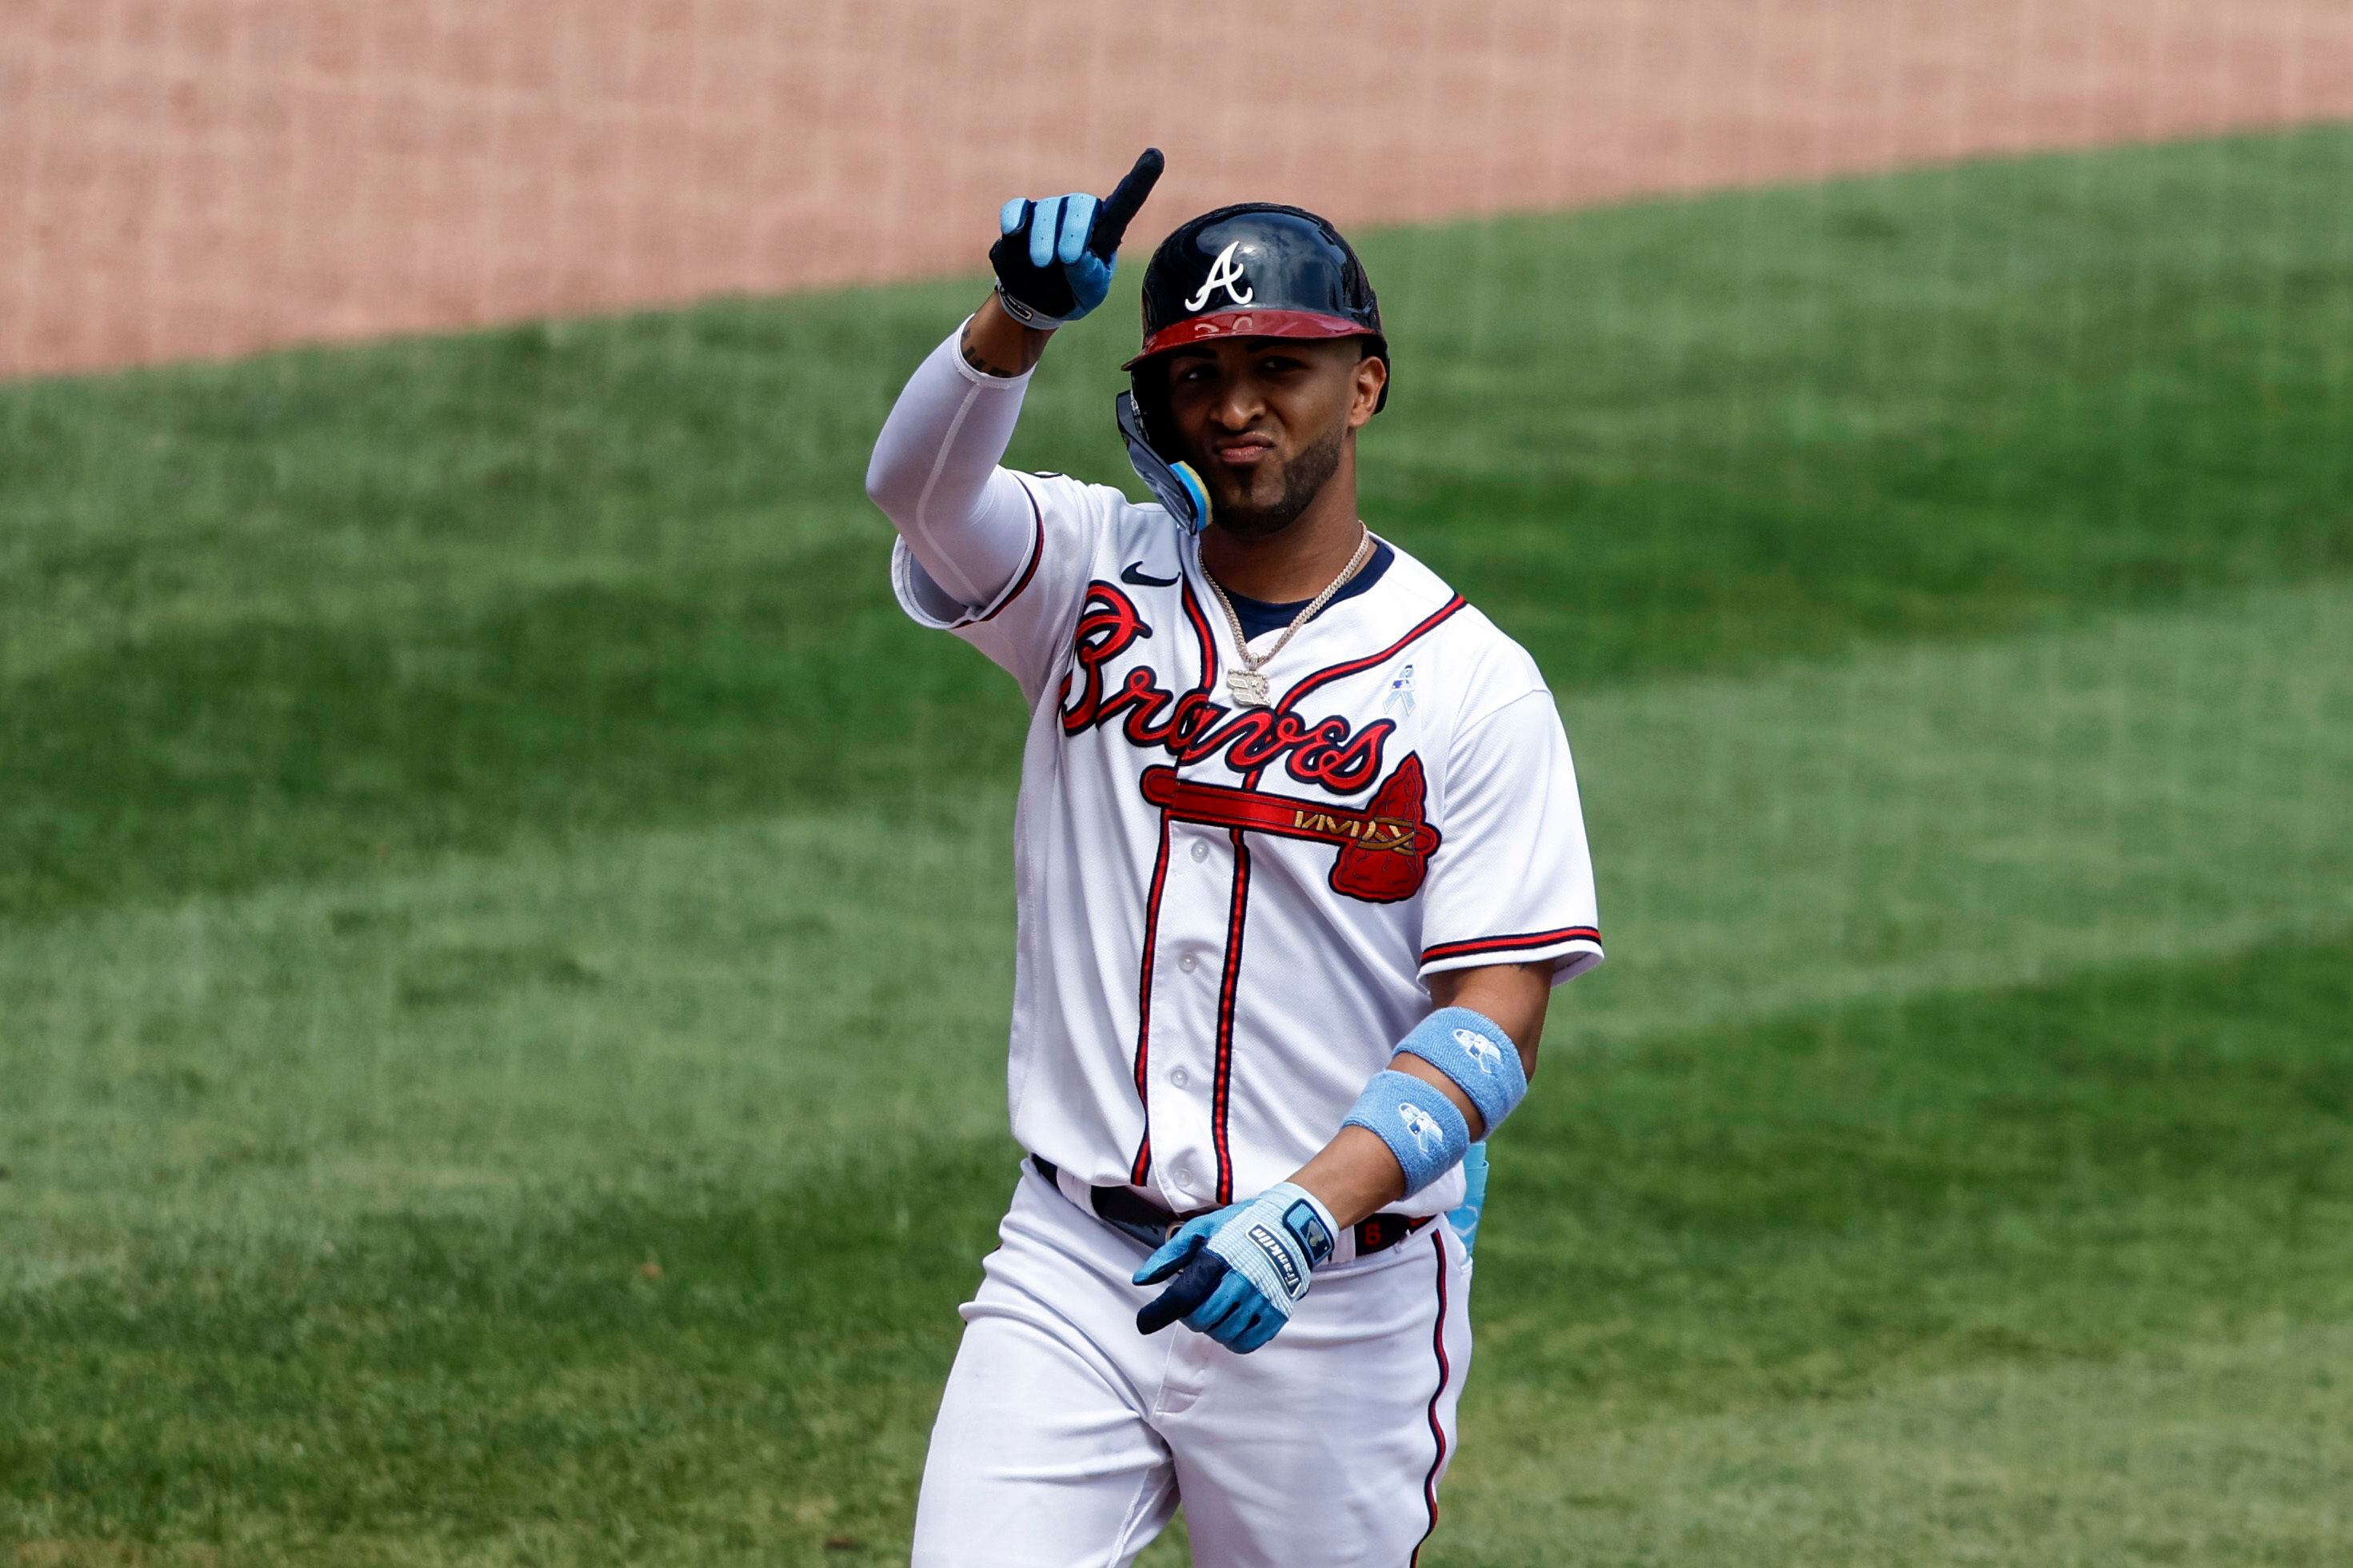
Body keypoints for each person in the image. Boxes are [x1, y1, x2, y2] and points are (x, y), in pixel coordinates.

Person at [864, 147, 1603, 1567]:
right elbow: (915, 488)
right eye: (1197, 376)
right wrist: (1012, 321)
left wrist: (1309, 1211)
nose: (1237, 406)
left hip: (1339, 1303)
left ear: (1365, 382)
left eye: (1281, 365)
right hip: (1072, 1270)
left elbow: (1499, 1005)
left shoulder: (1467, 683)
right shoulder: (1084, 574)